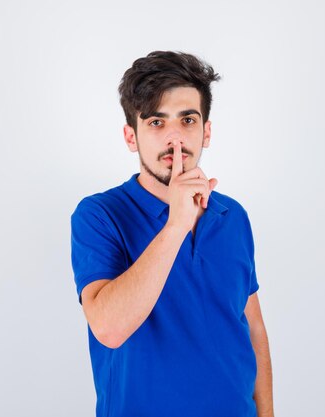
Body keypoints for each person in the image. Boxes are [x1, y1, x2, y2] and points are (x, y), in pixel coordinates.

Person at [70, 51, 274, 417]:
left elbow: (253, 328)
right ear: (131, 137)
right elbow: (109, 329)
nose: (175, 138)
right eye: (156, 123)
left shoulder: (234, 216)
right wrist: (176, 224)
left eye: (188, 119)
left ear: (206, 131)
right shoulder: (99, 215)